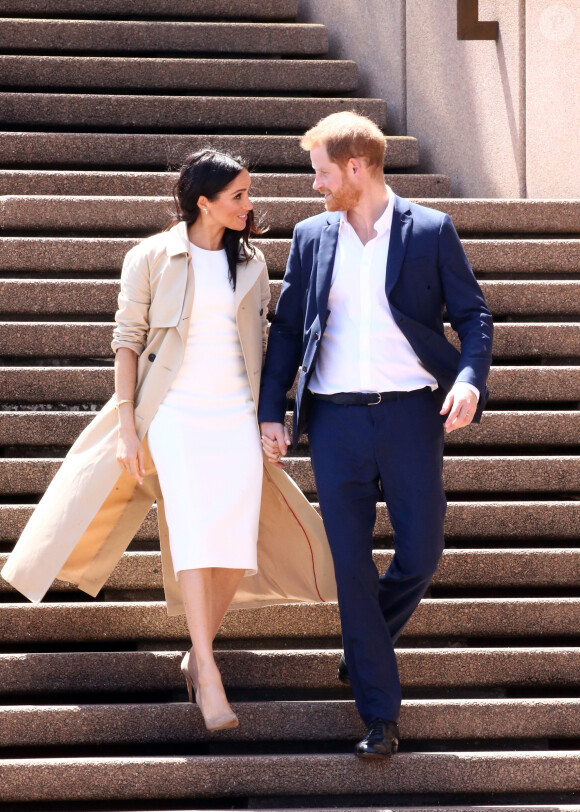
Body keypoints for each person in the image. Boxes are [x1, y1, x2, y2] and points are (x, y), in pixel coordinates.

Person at [1, 150, 337, 732]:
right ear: (203, 202)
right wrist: (129, 425)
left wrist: (267, 416)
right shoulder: (150, 257)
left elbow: (263, 343)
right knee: (193, 531)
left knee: (233, 539)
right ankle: (207, 671)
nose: (249, 205)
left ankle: (197, 649)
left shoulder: (252, 262)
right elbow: (127, 342)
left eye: (248, 194)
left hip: (235, 411)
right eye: (238, 196)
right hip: (174, 412)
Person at [259, 112, 493, 758]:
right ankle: (381, 717)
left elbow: (473, 313)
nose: (315, 186)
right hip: (335, 422)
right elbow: (285, 331)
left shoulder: (430, 231)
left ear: (355, 171)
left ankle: (364, 646)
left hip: (412, 414)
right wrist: (269, 412)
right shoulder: (312, 238)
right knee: (352, 565)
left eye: (322, 174)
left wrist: (469, 378)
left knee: (421, 552)